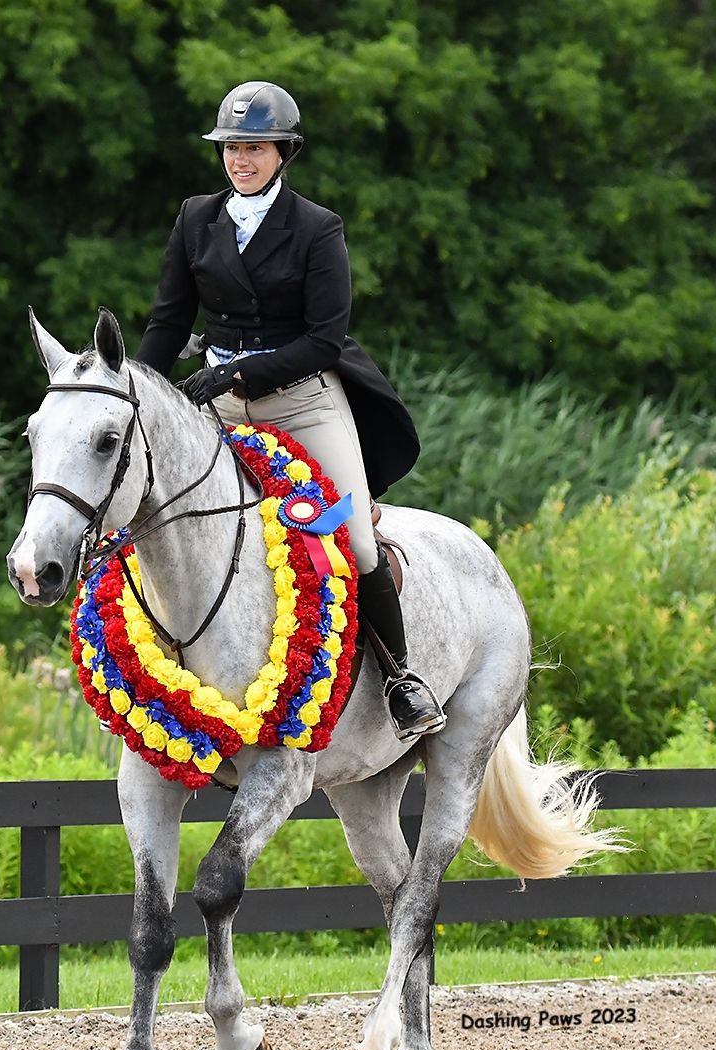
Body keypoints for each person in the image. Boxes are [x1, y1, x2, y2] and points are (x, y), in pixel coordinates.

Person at [136, 80, 444, 739]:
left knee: (356, 541)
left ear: (283, 152)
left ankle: (401, 679)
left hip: (301, 397)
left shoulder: (315, 227)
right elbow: (167, 323)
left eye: (253, 148)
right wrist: (140, 390)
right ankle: (164, 671)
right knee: (160, 519)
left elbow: (323, 339)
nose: (239, 160)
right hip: (215, 401)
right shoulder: (196, 218)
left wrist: (231, 374)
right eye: (230, 148)